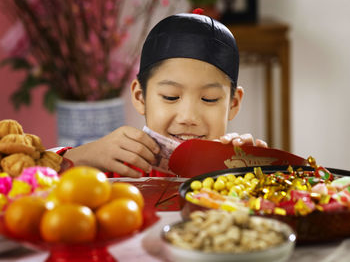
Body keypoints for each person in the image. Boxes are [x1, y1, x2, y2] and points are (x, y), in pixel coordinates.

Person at [61, 12, 267, 178]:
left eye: (209, 99)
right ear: (140, 96)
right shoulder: (113, 166)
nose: (188, 117)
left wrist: (258, 176)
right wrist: (79, 157)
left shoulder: (239, 172)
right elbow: (34, 182)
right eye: (170, 97)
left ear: (233, 103)